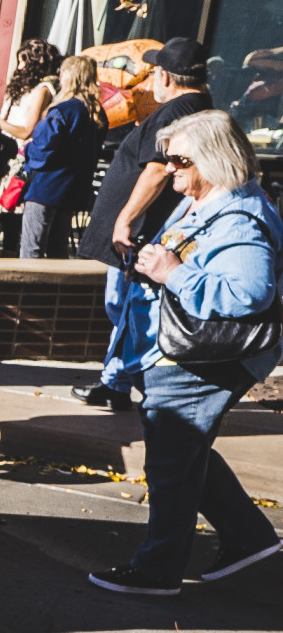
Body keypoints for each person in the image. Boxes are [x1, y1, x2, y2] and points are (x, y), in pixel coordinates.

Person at [86, 111, 281, 596]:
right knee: (184, 453)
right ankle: (249, 538)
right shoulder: (205, 201)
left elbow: (249, 292)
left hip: (198, 359)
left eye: (179, 160)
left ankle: (158, 570)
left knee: (171, 465)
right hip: (176, 353)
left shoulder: (239, 219)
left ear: (213, 159)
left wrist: (173, 273)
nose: (168, 168)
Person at [73, 35, 214, 408]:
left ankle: (134, 382)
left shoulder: (175, 112)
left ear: (166, 77)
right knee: (127, 304)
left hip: (141, 230)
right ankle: (116, 380)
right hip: (147, 229)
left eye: (154, 72)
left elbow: (156, 171)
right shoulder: (198, 107)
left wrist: (125, 220)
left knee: (131, 304)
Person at [18, 54, 105, 257]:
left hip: (45, 187)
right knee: (58, 252)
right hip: (72, 190)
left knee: (32, 251)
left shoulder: (63, 110)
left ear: (69, 76)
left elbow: (43, 151)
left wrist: (28, 147)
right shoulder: (97, 113)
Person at [0, 36, 62, 148]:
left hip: (20, 151)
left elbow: (27, 131)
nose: (19, 67)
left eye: (23, 62)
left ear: (35, 64)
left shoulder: (42, 90)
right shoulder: (24, 87)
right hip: (5, 145)